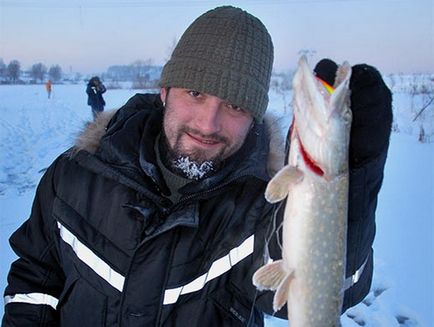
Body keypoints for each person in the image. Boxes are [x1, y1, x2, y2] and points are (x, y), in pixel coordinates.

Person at [2, 6, 392, 326]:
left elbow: (325, 290)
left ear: (253, 117)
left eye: (235, 106)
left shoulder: (262, 205)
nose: (208, 124)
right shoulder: (75, 175)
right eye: (196, 93)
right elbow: (36, 275)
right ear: (165, 90)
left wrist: (351, 185)